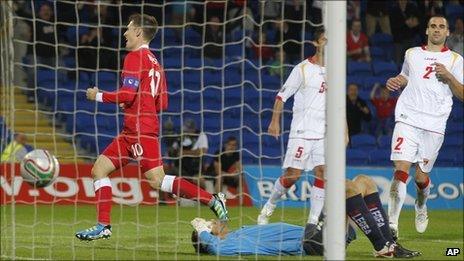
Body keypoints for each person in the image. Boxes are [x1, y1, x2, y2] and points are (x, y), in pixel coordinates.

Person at [75, 14, 229, 241]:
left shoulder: (134, 57)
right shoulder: (155, 62)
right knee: (99, 169)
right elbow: (162, 102)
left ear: (138, 31)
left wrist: (96, 95)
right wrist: (136, 101)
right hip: (133, 130)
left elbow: (127, 93)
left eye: (128, 28)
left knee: (158, 180)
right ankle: (103, 225)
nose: (125, 33)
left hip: (138, 129)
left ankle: (212, 200)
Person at [191, 175, 421, 258]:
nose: (214, 221)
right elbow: (215, 250)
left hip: (317, 236)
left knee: (364, 182)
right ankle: (382, 246)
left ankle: (387, 243)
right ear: (212, 235)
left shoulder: (239, 232)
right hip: (312, 244)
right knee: (346, 189)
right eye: (211, 224)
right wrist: (201, 230)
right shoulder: (229, 243)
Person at [257, 27, 347, 228]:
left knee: (322, 173)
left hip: (324, 133)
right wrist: (274, 121)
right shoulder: (302, 69)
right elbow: (282, 96)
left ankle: (313, 221)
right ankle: (269, 205)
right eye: (325, 40)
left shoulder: (336, 70)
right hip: (302, 131)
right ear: (316, 43)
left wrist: (344, 131)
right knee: (293, 176)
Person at [385, 15, 463, 239]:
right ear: (427, 30)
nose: (437, 30)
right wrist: (397, 80)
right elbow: (405, 77)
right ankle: (392, 226)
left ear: (448, 32)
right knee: (401, 169)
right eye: (433, 26)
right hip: (408, 117)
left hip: (434, 123)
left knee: (420, 178)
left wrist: (449, 77)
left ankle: (421, 204)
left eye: (441, 27)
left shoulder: (456, 60)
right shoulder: (412, 54)